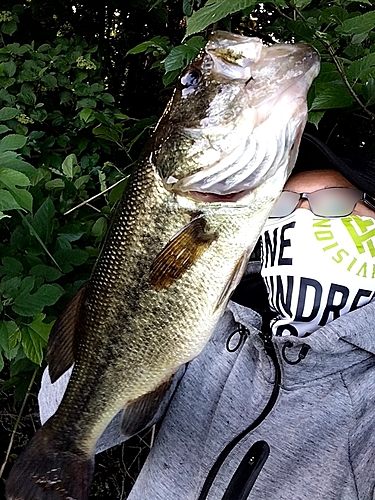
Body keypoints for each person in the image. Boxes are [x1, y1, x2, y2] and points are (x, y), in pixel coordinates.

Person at [38, 134, 375, 499]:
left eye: (336, 202)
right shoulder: (209, 324)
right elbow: (62, 414)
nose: (302, 216)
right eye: (285, 205)